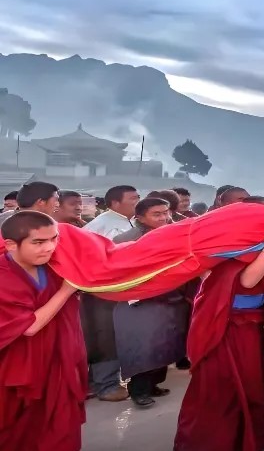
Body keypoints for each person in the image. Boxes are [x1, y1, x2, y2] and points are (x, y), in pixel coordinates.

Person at [176, 217, 264, 451]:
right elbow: (248, 281)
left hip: (249, 333)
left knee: (251, 387)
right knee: (221, 390)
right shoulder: (228, 260)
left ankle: (245, 439)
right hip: (224, 333)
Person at [0, 211, 87, 450]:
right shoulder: (3, 276)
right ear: (10, 245)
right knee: (17, 434)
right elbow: (28, 327)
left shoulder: (54, 266)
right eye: (38, 242)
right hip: (17, 369)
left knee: (60, 430)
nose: (49, 248)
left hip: (58, 362)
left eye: (54, 239)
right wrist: (67, 290)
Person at [112, 197, 186, 408]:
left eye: (166, 213)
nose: (164, 217)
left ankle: (154, 384)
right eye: (157, 214)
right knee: (143, 347)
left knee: (164, 345)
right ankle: (138, 391)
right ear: (140, 217)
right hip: (140, 302)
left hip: (170, 299)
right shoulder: (127, 239)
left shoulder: (175, 233)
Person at [79, 184, 138, 403]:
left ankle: (99, 383)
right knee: (105, 337)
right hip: (103, 291)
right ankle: (106, 385)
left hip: (121, 290)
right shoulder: (100, 225)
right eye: (133, 198)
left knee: (114, 336)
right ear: (115, 203)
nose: (137, 201)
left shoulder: (127, 222)